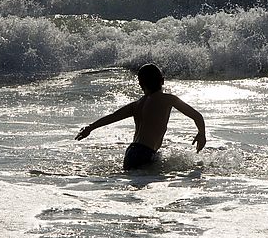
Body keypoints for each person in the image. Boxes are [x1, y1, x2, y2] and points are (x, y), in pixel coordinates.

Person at [75, 64, 206, 170]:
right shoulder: (168, 99)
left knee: (134, 186)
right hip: (145, 153)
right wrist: (201, 134)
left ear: (140, 84)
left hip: (131, 152)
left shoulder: (136, 105)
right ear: (162, 80)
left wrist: (90, 128)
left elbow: (112, 117)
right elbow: (197, 116)